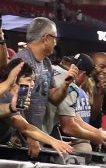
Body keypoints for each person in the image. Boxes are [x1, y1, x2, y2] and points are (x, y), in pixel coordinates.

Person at [13, 17, 74, 158]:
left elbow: (54, 98)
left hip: (37, 135)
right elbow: (17, 103)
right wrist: (30, 137)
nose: (56, 42)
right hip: (20, 139)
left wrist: (66, 84)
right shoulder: (22, 62)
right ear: (46, 38)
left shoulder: (46, 63)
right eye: (55, 38)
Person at [49, 54, 106, 158]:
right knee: (84, 149)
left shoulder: (52, 68)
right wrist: (95, 136)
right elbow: (68, 127)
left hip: (39, 127)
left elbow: (76, 118)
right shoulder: (71, 85)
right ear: (82, 74)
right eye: (102, 67)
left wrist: (97, 133)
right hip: (43, 131)